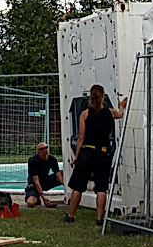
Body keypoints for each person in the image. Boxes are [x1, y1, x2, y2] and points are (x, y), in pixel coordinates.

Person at [64, 84, 126, 226]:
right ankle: (100, 218)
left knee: (78, 185)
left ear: (91, 97)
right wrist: (122, 105)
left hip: (87, 152)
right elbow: (120, 114)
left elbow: (81, 138)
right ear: (103, 96)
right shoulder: (110, 112)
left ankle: (71, 215)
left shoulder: (85, 114)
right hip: (104, 153)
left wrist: (76, 156)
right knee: (101, 188)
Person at [24, 142, 64, 208]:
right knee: (30, 203)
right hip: (34, 185)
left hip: (45, 181)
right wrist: (43, 197)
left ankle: (73, 195)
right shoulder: (33, 161)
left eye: (46, 148)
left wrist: (64, 183)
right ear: (38, 151)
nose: (45, 150)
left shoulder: (52, 159)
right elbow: (36, 181)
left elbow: (58, 174)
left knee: (64, 173)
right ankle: (37, 198)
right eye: (42, 149)